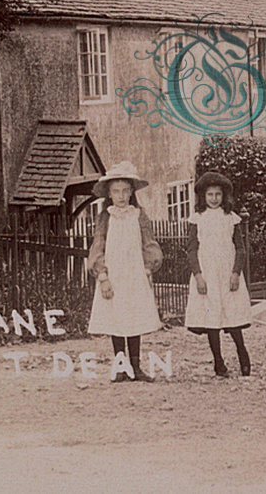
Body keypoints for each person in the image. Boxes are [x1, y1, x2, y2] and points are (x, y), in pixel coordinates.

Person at [85, 161, 163, 382]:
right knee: (116, 320)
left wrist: (148, 268)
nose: (121, 196)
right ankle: (121, 367)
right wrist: (102, 276)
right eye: (116, 191)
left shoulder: (139, 215)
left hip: (134, 274)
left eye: (125, 191)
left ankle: (136, 367)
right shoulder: (105, 217)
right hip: (114, 275)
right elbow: (98, 246)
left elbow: (149, 243)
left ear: (131, 192)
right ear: (109, 194)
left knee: (134, 318)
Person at [183, 171, 255, 377]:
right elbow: (192, 249)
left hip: (227, 272)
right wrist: (197, 275)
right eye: (210, 195)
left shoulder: (231, 218)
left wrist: (235, 273)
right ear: (203, 197)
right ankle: (218, 361)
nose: (214, 199)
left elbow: (240, 249)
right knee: (211, 316)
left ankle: (242, 354)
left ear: (224, 196)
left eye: (218, 194)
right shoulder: (197, 219)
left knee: (231, 314)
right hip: (207, 273)